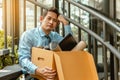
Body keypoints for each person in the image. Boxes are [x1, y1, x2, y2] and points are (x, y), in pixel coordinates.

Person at [18, 7, 86, 80]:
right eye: (49, 18)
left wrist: (65, 23)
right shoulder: (28, 35)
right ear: (41, 19)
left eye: (54, 20)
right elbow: (23, 59)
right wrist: (38, 70)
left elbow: (70, 44)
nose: (51, 22)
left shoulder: (55, 36)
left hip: (54, 74)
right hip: (34, 75)